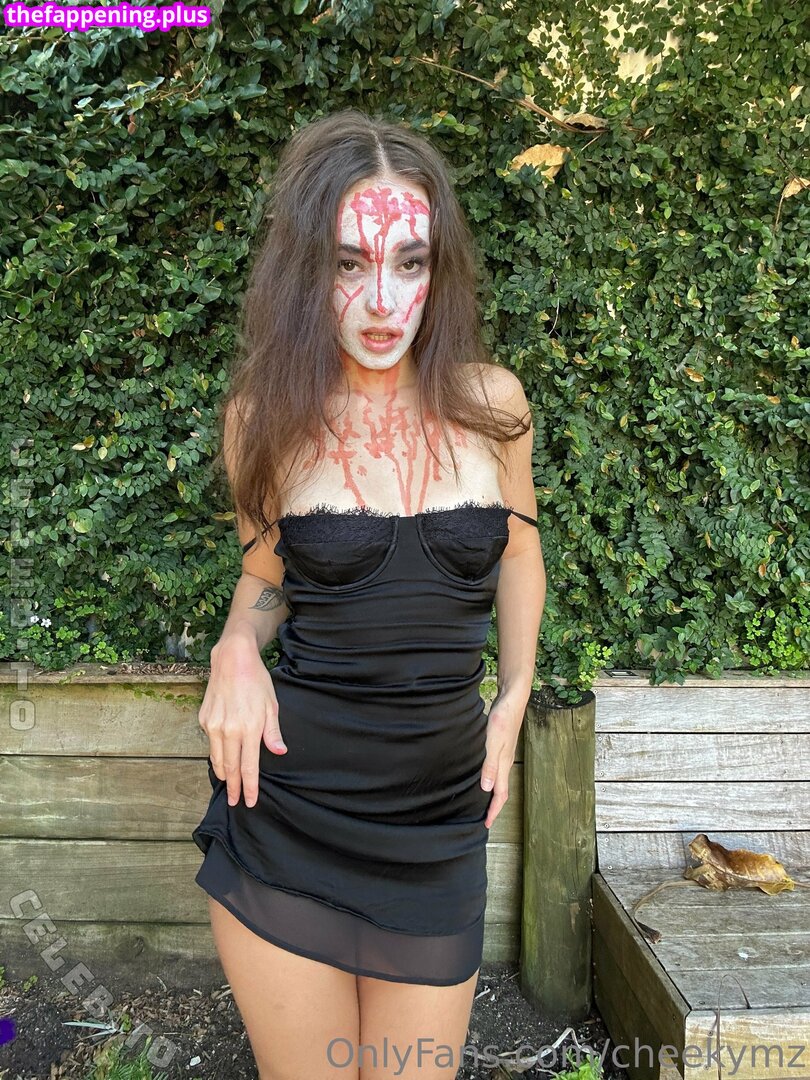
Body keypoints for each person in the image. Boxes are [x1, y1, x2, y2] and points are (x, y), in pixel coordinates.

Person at [192, 107, 546, 1080]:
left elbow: (520, 551)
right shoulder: (265, 418)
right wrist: (234, 646)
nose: (382, 301)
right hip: (289, 814)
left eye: (409, 262)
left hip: (438, 829)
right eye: (350, 263)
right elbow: (264, 578)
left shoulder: (494, 406)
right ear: (308, 270)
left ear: (440, 268)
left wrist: (514, 697)